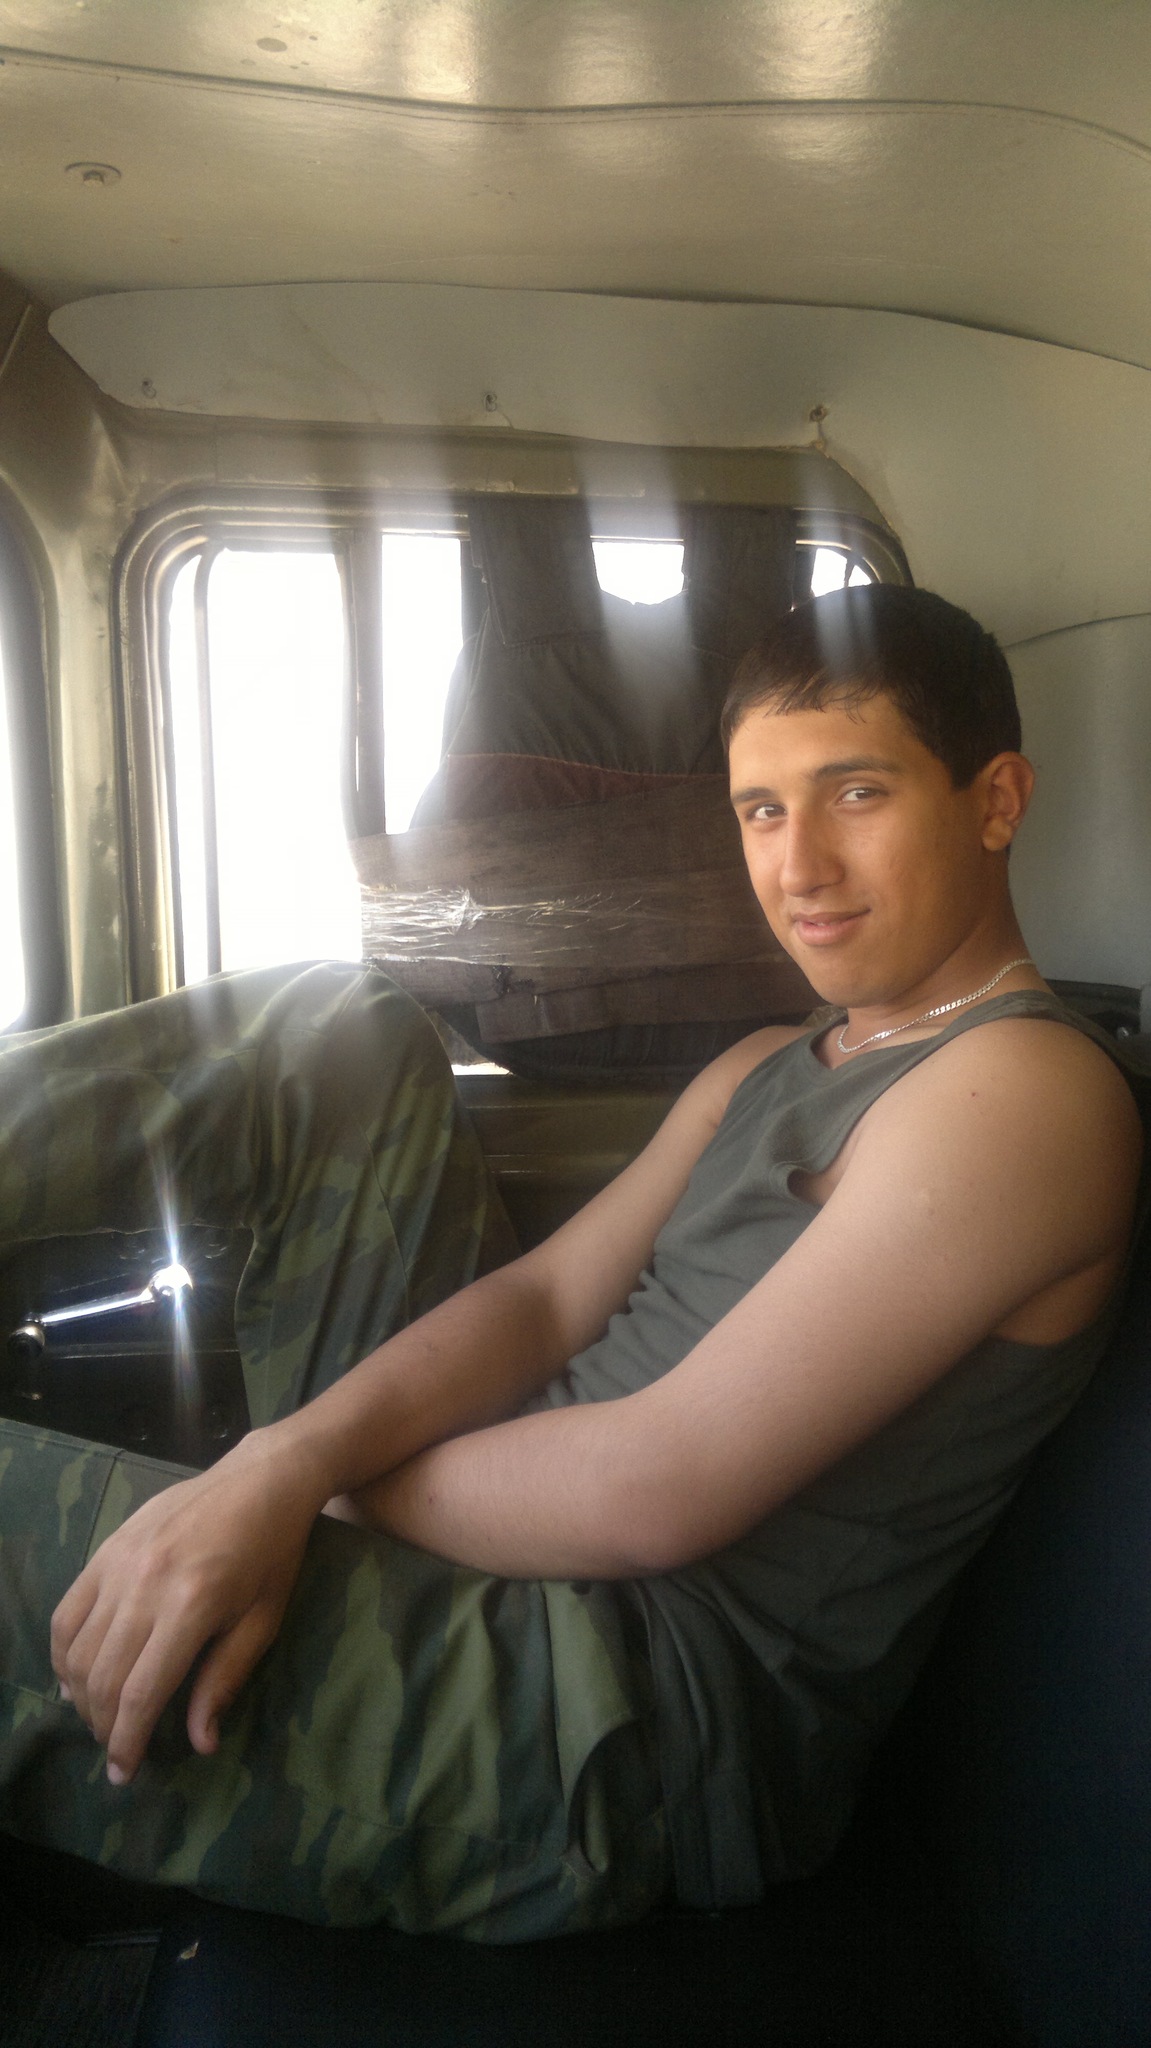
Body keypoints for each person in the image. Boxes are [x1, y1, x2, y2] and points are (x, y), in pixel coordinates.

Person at [0, 584, 1142, 1940]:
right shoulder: (769, 1063)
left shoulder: (1024, 1094)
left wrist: (292, 1484)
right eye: (761, 810)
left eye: (855, 793)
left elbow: (661, 1485)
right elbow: (545, 1303)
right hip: (508, 1534)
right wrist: (280, 1465)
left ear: (995, 801)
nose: (798, 867)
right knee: (341, 1034)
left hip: (623, 1711)